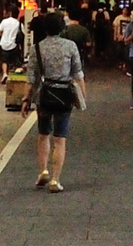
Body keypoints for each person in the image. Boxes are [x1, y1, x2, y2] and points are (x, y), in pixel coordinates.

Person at [24, 11, 85, 194]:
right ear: (62, 28)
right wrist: (82, 96)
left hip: (44, 95)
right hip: (64, 95)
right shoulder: (70, 46)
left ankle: (43, 171)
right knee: (60, 139)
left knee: (43, 134)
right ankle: (55, 180)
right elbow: (78, 74)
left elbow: (31, 78)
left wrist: (26, 100)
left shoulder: (37, 48)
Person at [0, 6, 23, 83]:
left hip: (4, 44)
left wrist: (4, 36)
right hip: (14, 45)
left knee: (4, 61)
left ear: (10, 13)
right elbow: (22, 34)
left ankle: (4, 74)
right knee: (15, 62)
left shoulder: (4, 21)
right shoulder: (18, 24)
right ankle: (13, 77)